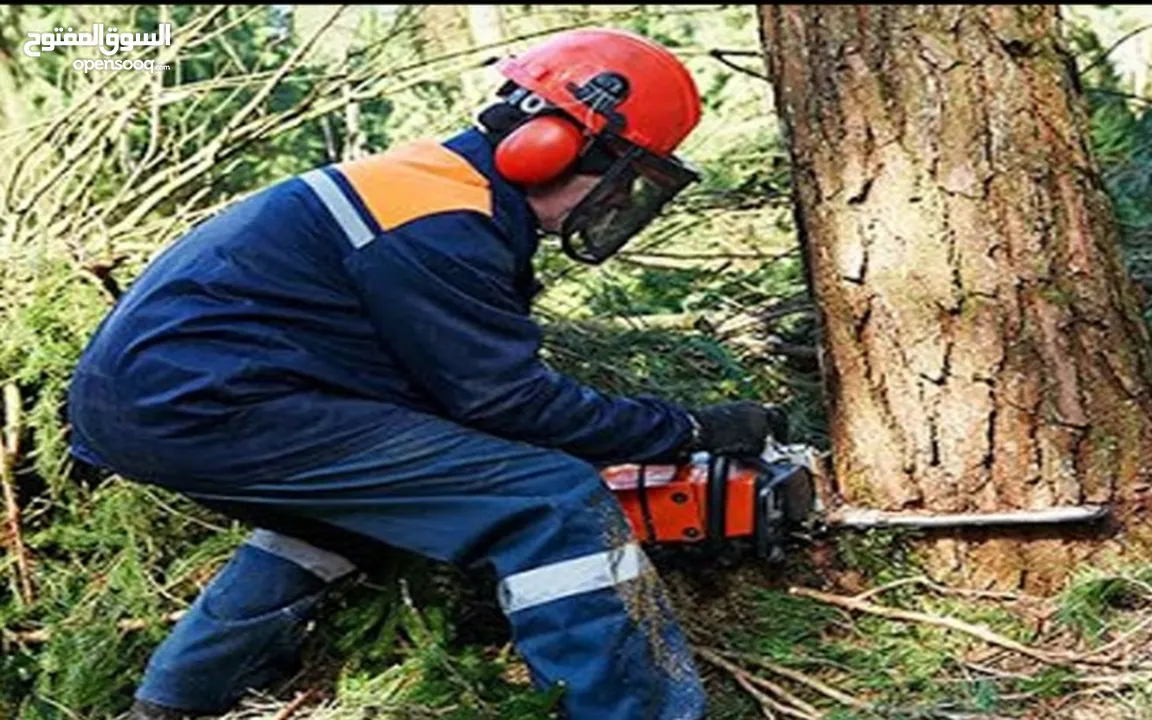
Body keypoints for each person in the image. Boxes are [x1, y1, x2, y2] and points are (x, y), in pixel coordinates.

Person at [67, 27, 779, 720]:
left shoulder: (436, 192)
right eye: (623, 177)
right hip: (207, 404)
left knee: (335, 523)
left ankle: (177, 697)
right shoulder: (438, 218)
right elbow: (508, 400)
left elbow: (460, 393)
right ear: (550, 146)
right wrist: (684, 429)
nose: (621, 202)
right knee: (551, 499)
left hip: (166, 401)